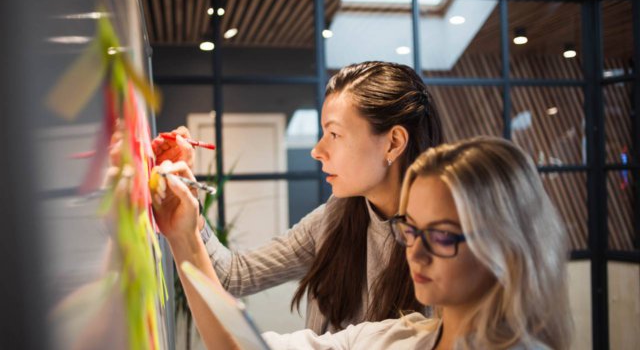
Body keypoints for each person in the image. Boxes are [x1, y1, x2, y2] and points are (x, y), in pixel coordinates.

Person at [156, 136, 574, 349]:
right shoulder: (394, 337)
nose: (417, 251)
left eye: (442, 235)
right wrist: (183, 233)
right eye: (410, 230)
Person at [153, 61, 444, 333]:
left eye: (334, 134)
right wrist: (188, 213)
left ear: (393, 143)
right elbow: (234, 275)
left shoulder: (442, 248)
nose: (317, 150)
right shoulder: (337, 216)